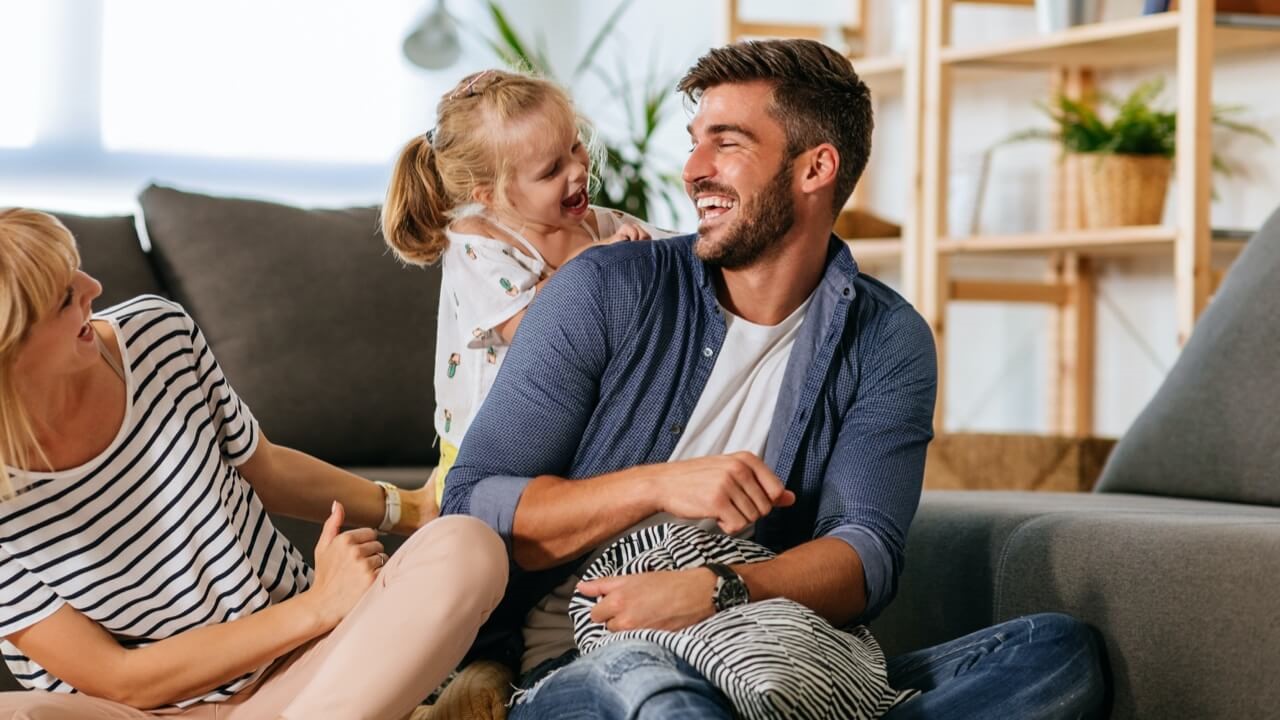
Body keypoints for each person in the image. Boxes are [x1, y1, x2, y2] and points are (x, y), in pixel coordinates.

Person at [442, 39, 1106, 719]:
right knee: (654, 688)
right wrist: (661, 484)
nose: (693, 170)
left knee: (1056, 653)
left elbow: (865, 555)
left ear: (815, 167)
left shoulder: (886, 340)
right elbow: (471, 503)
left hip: (757, 658)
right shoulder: (605, 286)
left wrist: (717, 588)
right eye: (695, 142)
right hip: (584, 663)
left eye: (724, 144)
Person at [0, 209, 508, 719]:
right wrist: (318, 605)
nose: (93, 286)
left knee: (468, 548)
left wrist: (409, 509)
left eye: (77, 268)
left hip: (297, 671)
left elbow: (266, 468)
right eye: (66, 295)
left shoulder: (156, 335)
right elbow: (120, 681)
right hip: (145, 713)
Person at [381, 69, 672, 511]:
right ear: (492, 194)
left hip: (567, 442)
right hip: (483, 456)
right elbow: (532, 326)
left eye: (575, 145)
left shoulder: (603, 227)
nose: (577, 169)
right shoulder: (477, 243)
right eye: (552, 169)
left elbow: (681, 257)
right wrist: (597, 265)